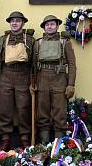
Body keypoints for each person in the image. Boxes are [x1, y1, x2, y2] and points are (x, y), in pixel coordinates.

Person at [32, 15, 77, 144]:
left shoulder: (65, 42)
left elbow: (72, 64)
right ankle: (44, 144)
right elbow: (34, 66)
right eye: (47, 25)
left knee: (60, 112)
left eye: (52, 24)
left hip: (59, 79)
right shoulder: (38, 43)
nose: (49, 27)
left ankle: (59, 145)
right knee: (42, 112)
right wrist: (33, 82)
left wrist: (71, 84)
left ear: (57, 26)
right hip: (42, 80)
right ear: (44, 27)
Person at [0, 11, 35, 150]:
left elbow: (34, 64)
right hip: (6, 76)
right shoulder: (2, 39)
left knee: (23, 109)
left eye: (18, 20)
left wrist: (32, 81)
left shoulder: (30, 40)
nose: (14, 23)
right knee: (5, 109)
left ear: (23, 23)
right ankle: (5, 138)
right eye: (12, 21)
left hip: (23, 77)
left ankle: (24, 138)